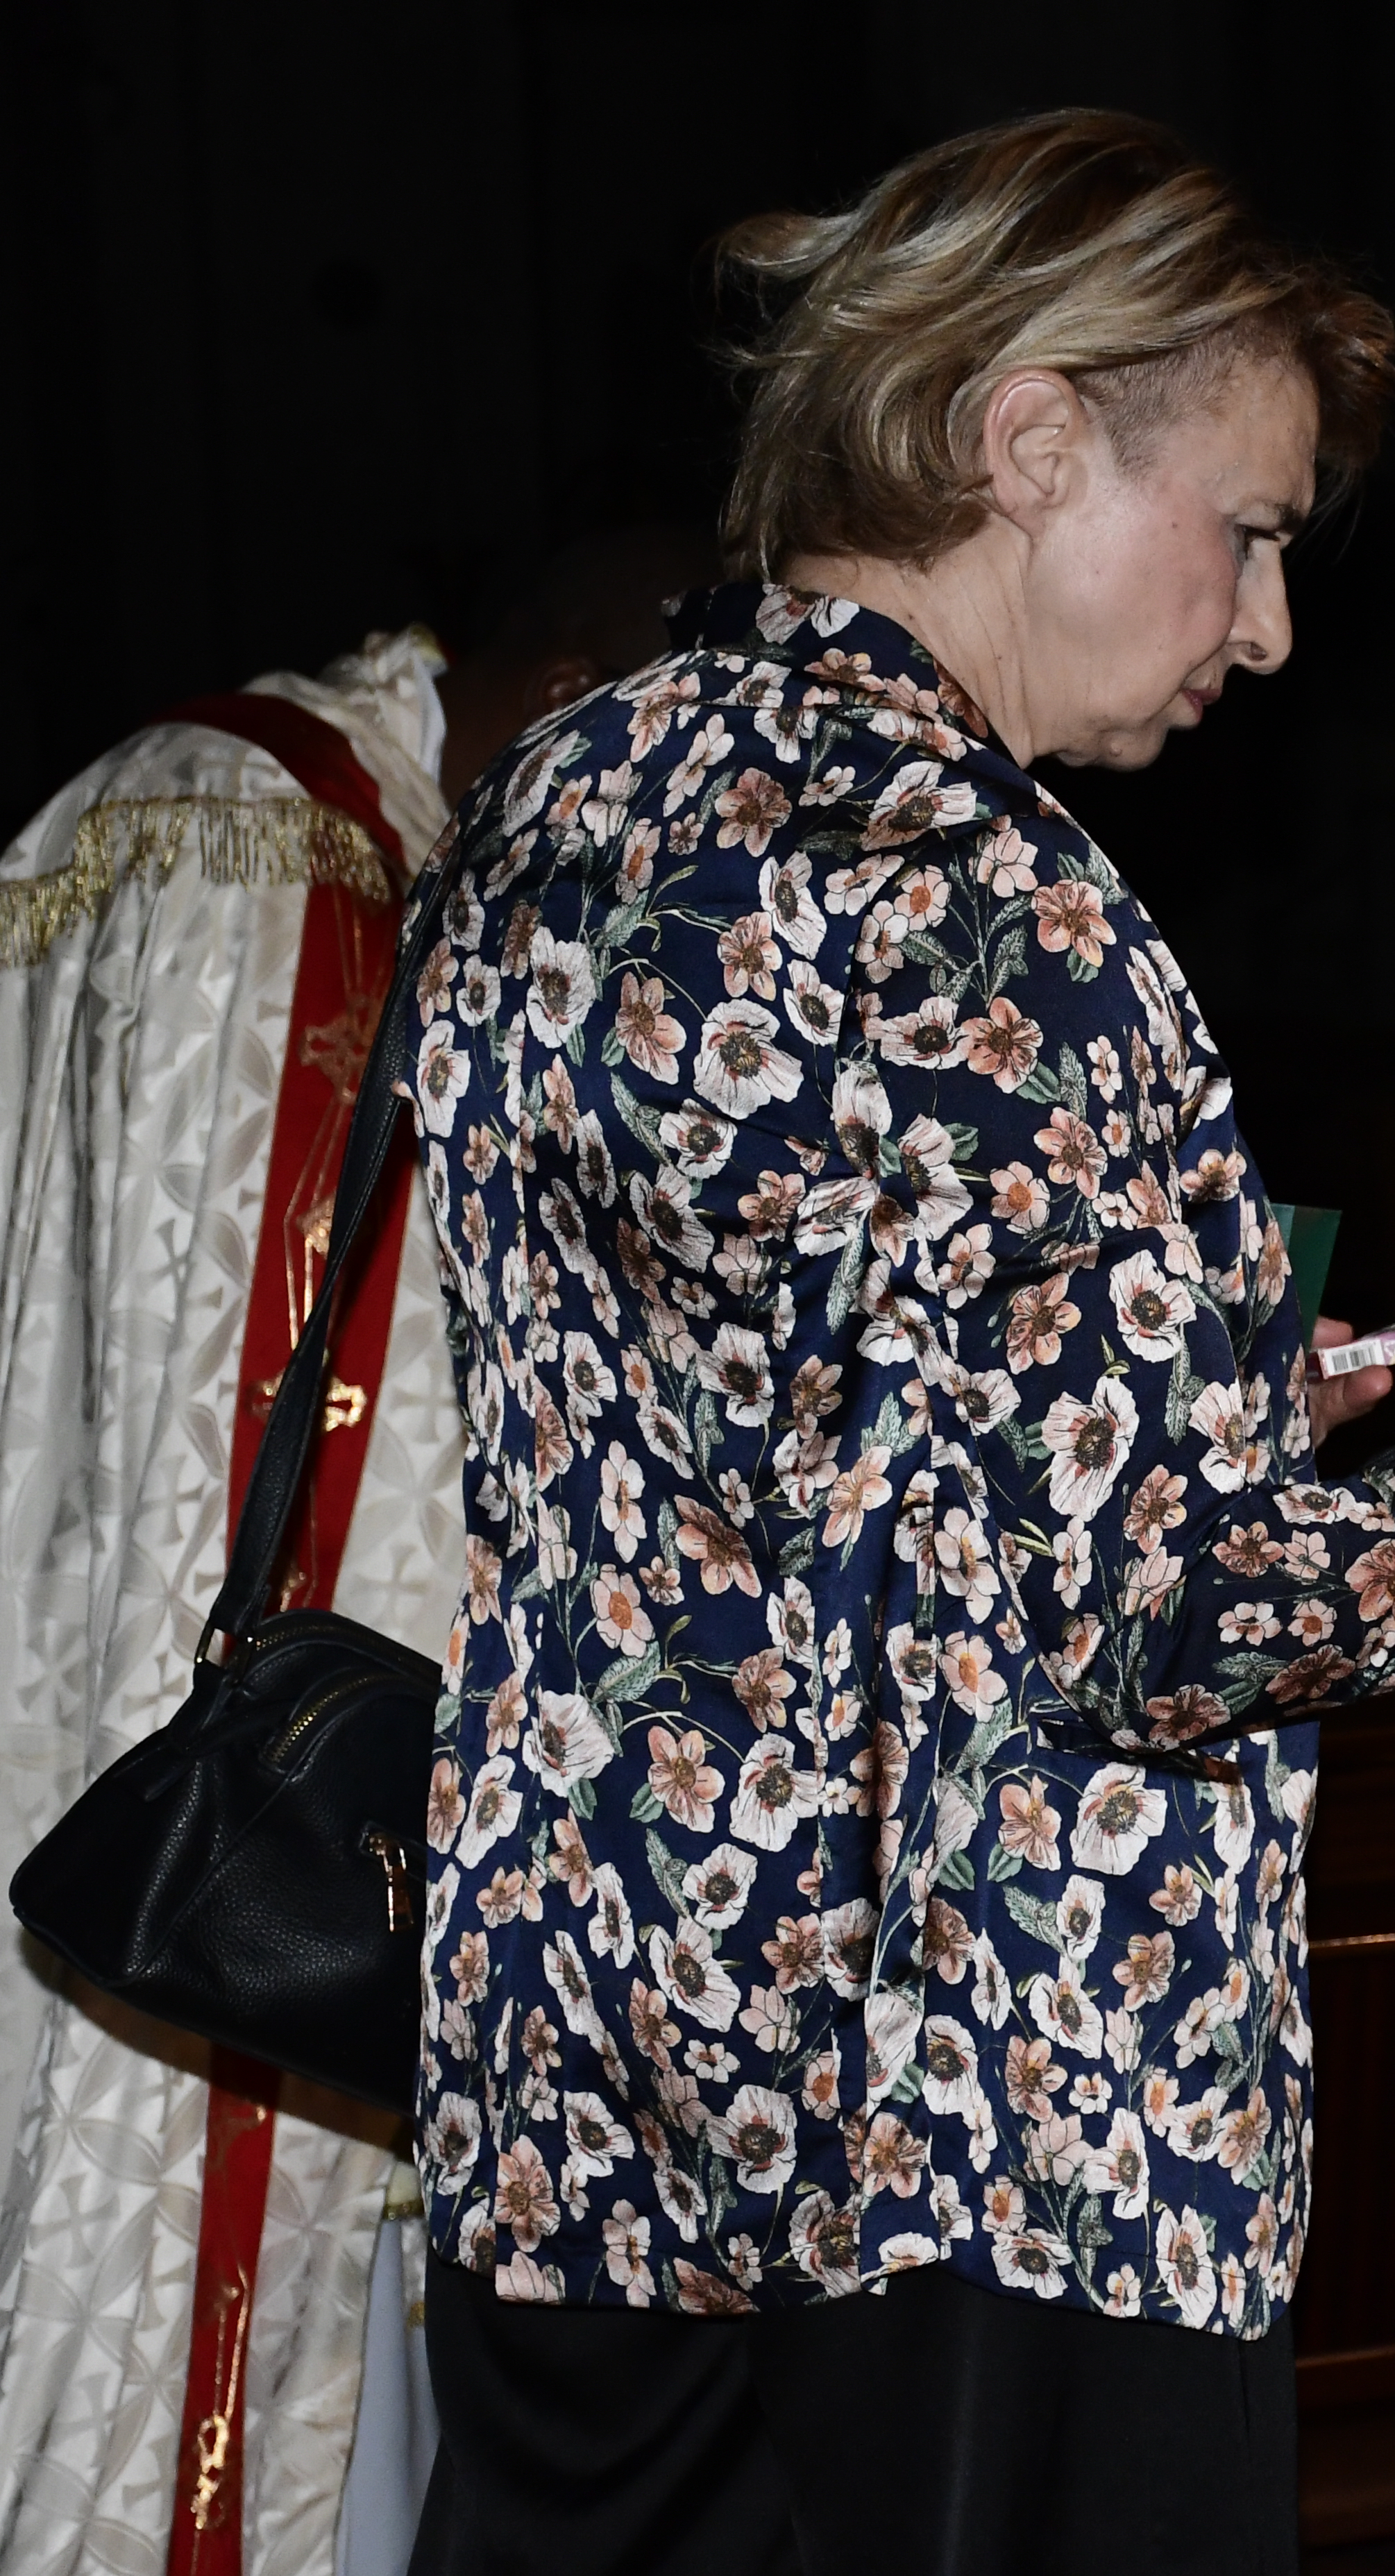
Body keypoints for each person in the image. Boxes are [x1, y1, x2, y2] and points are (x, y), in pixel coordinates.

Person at [392, 114, 1395, 2574]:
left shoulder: (566, 798)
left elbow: (760, 1442)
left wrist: (1185, 1404)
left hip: (595, 2100)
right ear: (1028, 440)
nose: (1265, 631)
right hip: (973, 2140)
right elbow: (1166, 1615)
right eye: (1241, 530)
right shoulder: (988, 897)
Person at [0, 537, 702, 2576]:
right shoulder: (292, 875)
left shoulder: (161, 803)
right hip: (199, 1788)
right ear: (582, 693)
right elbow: (319, 1455)